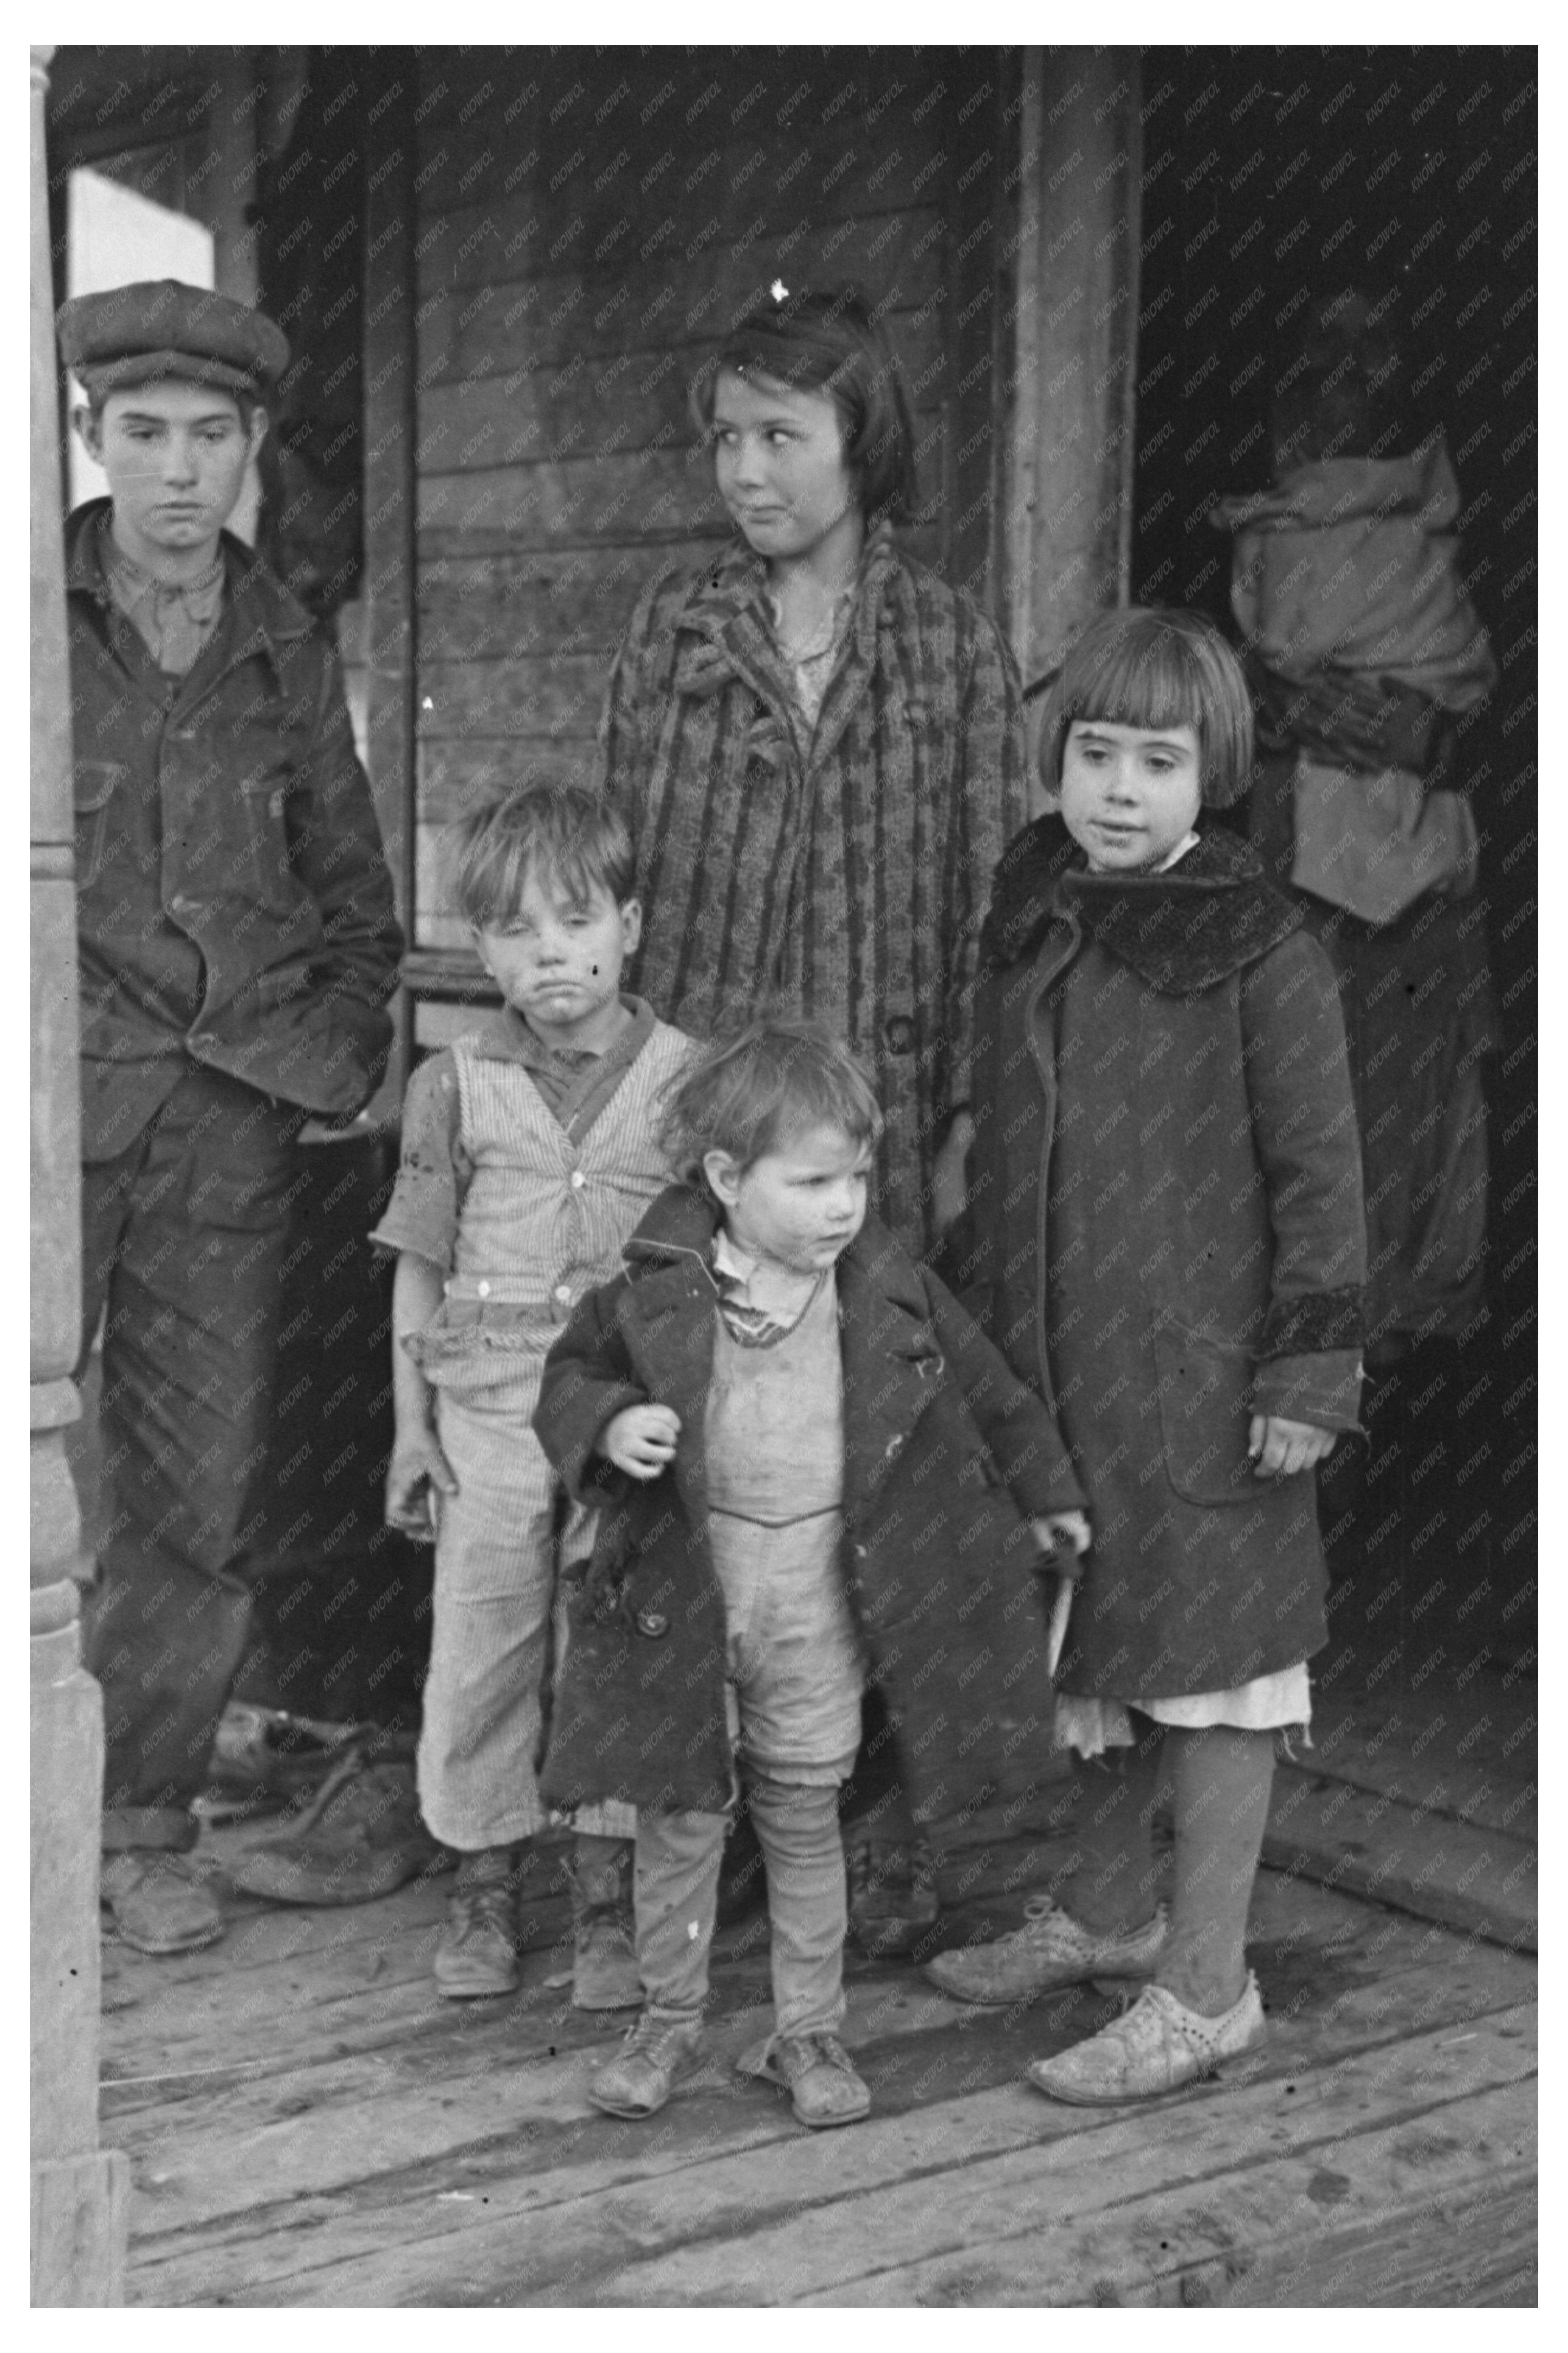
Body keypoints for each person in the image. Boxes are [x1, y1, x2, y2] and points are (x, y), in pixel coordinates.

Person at [597, 280, 1031, 1948]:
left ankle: (853, 1832)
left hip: (869, 1134)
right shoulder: (674, 631)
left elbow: (993, 893)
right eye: (725, 433)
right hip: (702, 1129)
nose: (744, 466)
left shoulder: (941, 641)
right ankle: (677, 1847)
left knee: (872, 1465)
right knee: (700, 1457)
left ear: (864, 440)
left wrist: (957, 1122)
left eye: (780, 432)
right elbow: (618, 882)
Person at [927, 608, 1366, 2103]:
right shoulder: (1038, 901)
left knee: (1220, 1672)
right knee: (1094, 1655)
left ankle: (1209, 1984)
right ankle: (1112, 1916)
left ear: (1215, 773)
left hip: (1205, 1380)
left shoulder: (1263, 946)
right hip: (1064, 1368)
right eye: (1096, 753)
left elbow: (1323, 1178)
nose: (1119, 788)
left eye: (1159, 761)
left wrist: (1308, 1376)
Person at [533, 1019, 1087, 2129]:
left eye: (858, 1177)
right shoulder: (659, 1288)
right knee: (682, 1819)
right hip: (687, 1593)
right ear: (728, 1178)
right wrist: (610, 1421)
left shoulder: (884, 1293)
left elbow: (990, 1392)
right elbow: (568, 1379)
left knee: (799, 1813)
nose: (845, 1205)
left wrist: (1049, 1492)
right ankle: (666, 2016)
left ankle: (809, 2026)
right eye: (815, 1181)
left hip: (816, 1599)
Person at [58, 280, 404, 1958]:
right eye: (145, 435)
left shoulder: (287, 645)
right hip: (47, 1118)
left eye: (211, 438)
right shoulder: (25, 611)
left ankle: (138, 1823)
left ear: (254, 450)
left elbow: (358, 902)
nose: (178, 472)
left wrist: (325, 1060)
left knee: (197, 1500)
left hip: (227, 1132)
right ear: (89, 438)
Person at [372, 785, 698, 2006]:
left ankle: (606, 1895)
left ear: (630, 922)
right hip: (491, 1418)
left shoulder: (685, 1079)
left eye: (573, 921)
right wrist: (412, 1428)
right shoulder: (451, 1085)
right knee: (484, 1645)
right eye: (513, 930)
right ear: (481, 946)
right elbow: (418, 1262)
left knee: (610, 1643)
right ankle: (486, 1880)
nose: (548, 953)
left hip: (621, 1421)